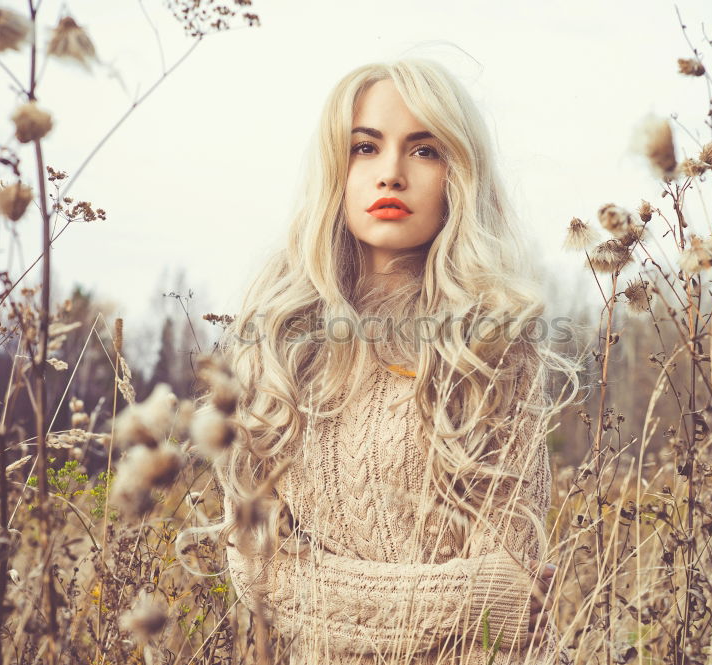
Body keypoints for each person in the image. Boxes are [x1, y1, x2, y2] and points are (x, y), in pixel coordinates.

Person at [210, 58, 579, 665]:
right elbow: (259, 575)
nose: (391, 175)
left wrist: (333, 588)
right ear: (336, 169)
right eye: (364, 147)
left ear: (458, 175)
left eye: (425, 151)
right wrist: (477, 593)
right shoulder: (276, 347)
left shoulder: (492, 350)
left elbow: (509, 584)